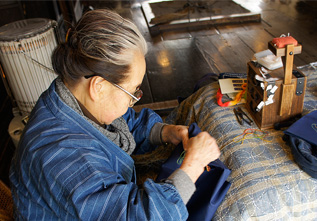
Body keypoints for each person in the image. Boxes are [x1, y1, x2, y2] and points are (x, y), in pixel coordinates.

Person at [10, 9, 220, 220]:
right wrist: (192, 166)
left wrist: (164, 132)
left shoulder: (71, 96)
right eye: (133, 92)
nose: (133, 102)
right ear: (99, 87)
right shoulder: (65, 155)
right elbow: (138, 216)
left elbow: (119, 123)